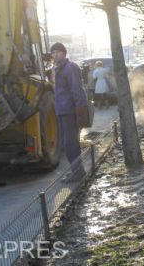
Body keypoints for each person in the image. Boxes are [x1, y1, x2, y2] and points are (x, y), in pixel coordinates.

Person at [50, 42, 89, 182]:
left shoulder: (70, 68)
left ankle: (78, 173)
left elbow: (77, 90)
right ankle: (77, 171)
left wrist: (81, 112)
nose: (55, 55)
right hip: (61, 110)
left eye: (57, 52)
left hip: (69, 111)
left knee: (70, 143)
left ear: (64, 53)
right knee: (69, 143)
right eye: (53, 53)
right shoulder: (58, 69)